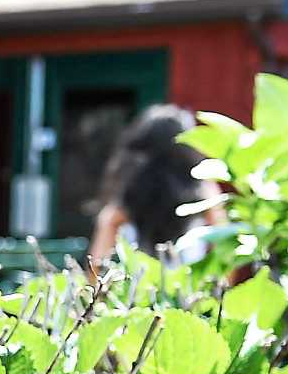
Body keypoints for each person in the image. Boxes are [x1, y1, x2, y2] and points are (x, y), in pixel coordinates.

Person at [87, 104, 223, 264]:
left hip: (141, 285)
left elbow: (97, 261)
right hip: (189, 285)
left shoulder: (130, 195)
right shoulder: (204, 191)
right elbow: (223, 250)